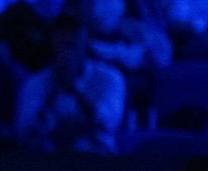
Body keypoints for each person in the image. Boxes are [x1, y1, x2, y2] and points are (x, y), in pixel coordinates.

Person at [14, 15, 127, 154]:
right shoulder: (34, 83)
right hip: (47, 168)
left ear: (87, 39)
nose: (68, 38)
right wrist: (55, 90)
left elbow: (108, 122)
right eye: (62, 32)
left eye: (74, 32)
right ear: (51, 39)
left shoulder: (110, 78)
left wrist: (74, 89)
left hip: (98, 165)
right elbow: (23, 130)